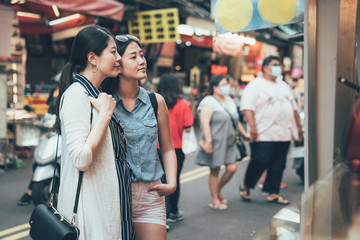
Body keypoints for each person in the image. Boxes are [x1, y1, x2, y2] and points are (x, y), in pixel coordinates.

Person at [54, 26, 135, 240]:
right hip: (88, 210)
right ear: (93, 58)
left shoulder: (97, 95)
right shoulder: (76, 96)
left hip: (103, 205)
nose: (119, 58)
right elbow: (81, 158)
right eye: (113, 51)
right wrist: (105, 115)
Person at [101, 34, 177, 240]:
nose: (142, 61)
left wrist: (172, 183)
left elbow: (168, 147)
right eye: (133, 57)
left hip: (151, 195)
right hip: (115, 195)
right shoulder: (105, 104)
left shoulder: (156, 101)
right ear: (118, 63)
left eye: (142, 56)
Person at [239, 55, 303, 205]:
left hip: (284, 132)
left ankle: (273, 193)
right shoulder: (255, 84)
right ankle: (246, 185)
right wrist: (253, 128)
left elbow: (293, 109)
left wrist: (298, 128)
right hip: (263, 132)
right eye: (275, 64)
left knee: (278, 164)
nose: (278, 67)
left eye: (279, 65)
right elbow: (248, 108)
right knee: (260, 160)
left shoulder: (283, 85)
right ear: (266, 67)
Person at [195, 74, 249, 210]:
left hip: (230, 141)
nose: (227, 87)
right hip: (216, 142)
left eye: (227, 84)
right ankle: (214, 200)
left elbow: (236, 120)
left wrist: (244, 133)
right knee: (215, 170)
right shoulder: (208, 101)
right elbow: (204, 122)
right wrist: (208, 141)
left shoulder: (229, 100)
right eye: (223, 84)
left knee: (232, 168)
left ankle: (217, 191)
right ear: (215, 87)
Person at [157, 73, 194, 225]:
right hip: (176, 149)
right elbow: (188, 127)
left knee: (161, 180)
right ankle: (172, 212)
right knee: (173, 180)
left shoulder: (155, 102)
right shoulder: (183, 104)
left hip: (157, 148)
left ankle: (161, 215)